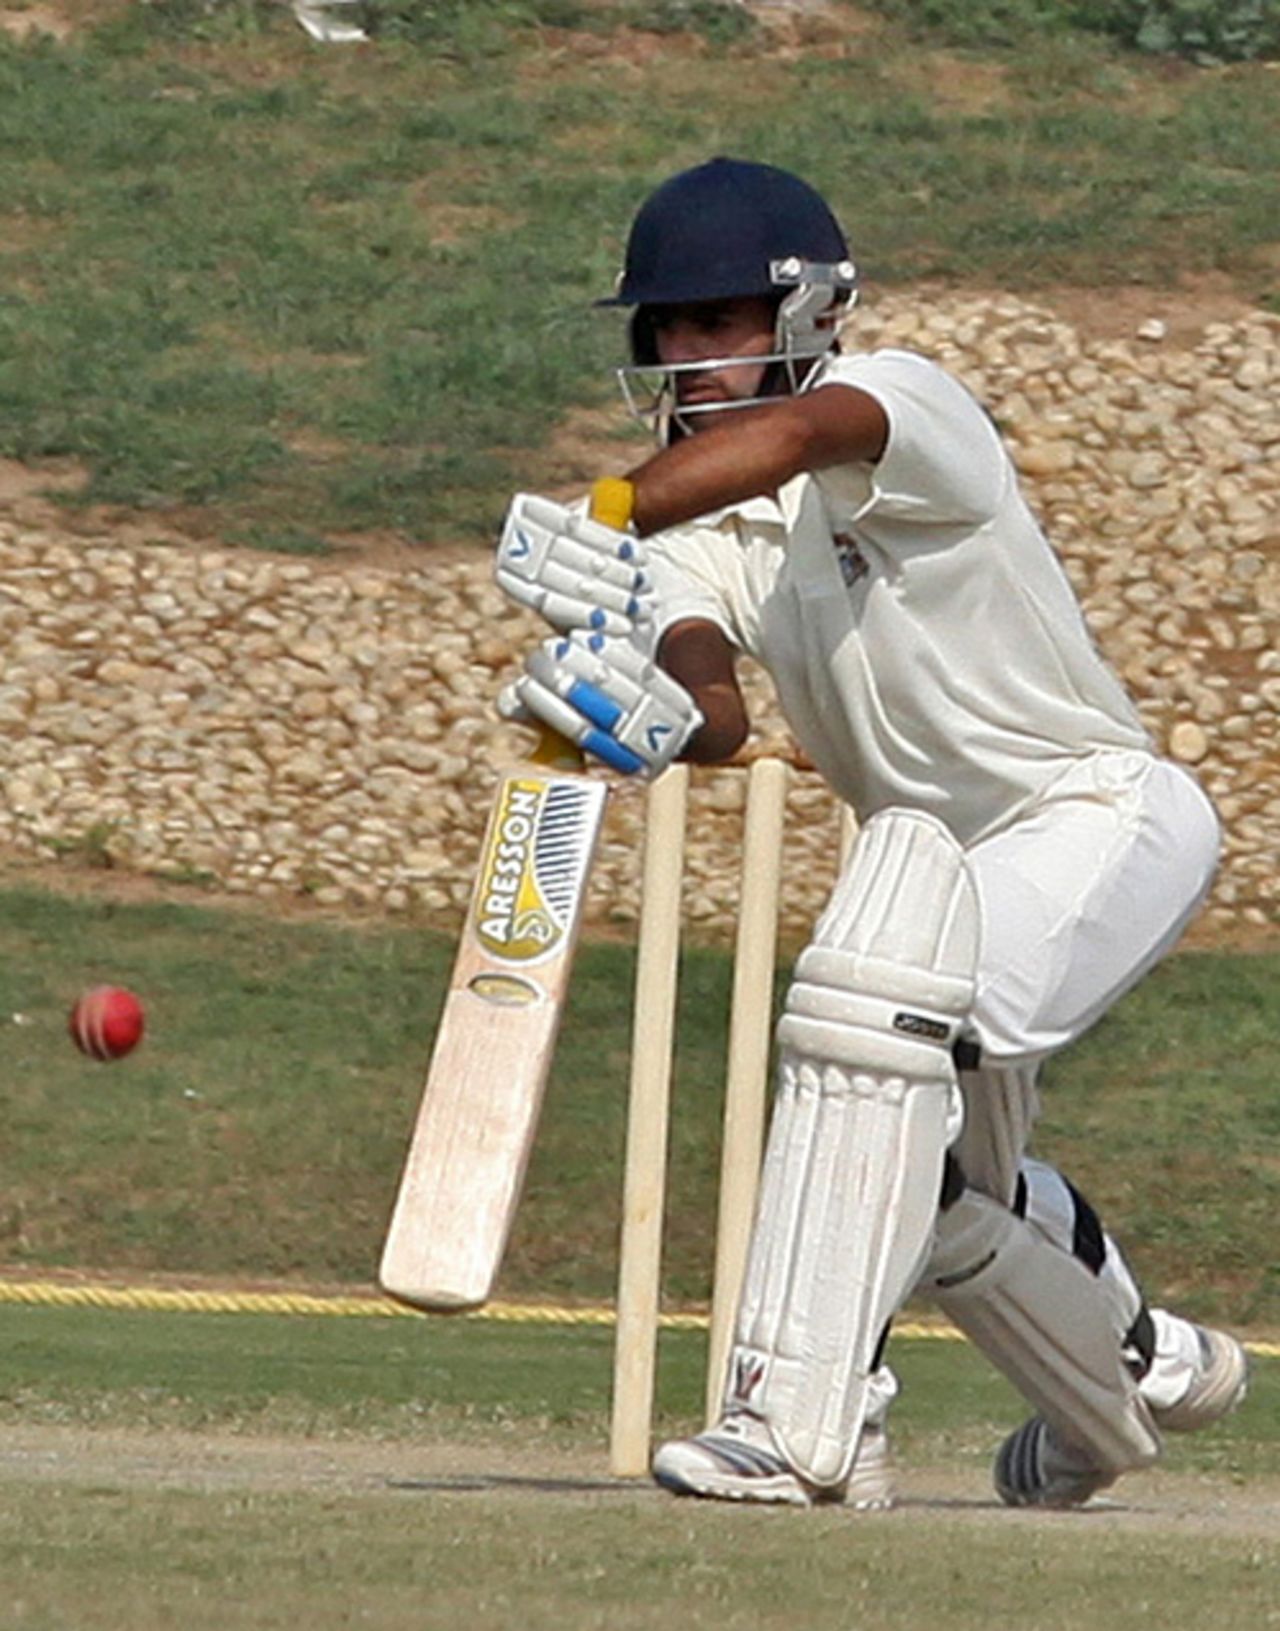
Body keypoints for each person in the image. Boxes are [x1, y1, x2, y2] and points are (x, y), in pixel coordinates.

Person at [493, 157, 1247, 1509]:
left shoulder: (906, 401)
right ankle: (1137, 1373)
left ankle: (797, 1424)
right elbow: (717, 707)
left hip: (1094, 817)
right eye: (671, 329)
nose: (693, 356)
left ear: (807, 316)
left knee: (869, 1017)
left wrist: (601, 507)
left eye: (722, 322)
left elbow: (791, 441)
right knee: (951, 1195)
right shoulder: (700, 527)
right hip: (933, 874)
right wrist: (638, 699)